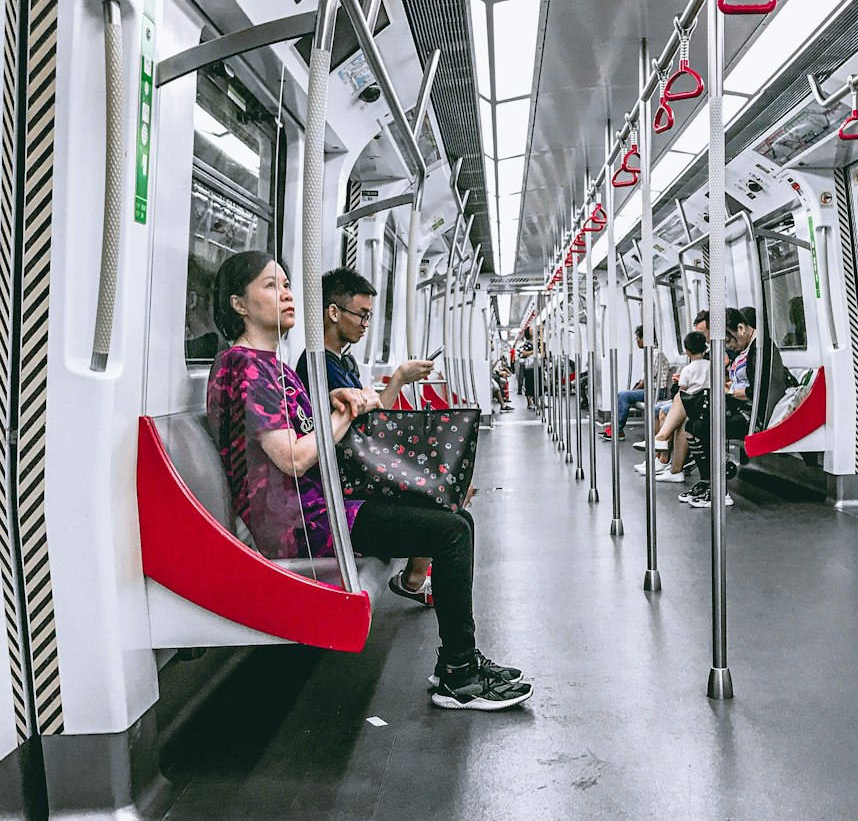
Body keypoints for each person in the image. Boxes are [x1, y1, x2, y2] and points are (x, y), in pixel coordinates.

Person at [208, 250, 531, 711]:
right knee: (451, 531)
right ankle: (459, 675)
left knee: (452, 516)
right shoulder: (246, 366)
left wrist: (336, 399)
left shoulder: (274, 367)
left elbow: (302, 421)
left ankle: (458, 663)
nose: (285, 293)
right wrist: (339, 418)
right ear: (240, 304)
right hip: (298, 520)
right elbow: (296, 458)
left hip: (321, 505)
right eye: (269, 286)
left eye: (285, 283)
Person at [295, 267, 437, 608]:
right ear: (333, 313)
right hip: (342, 477)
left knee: (440, 482)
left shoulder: (345, 363)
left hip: (356, 462)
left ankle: (417, 577)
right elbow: (357, 431)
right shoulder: (318, 368)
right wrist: (399, 377)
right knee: (438, 493)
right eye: (361, 315)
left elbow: (372, 421)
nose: (365, 324)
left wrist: (399, 380)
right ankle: (415, 579)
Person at [680, 307, 758, 508]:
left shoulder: (759, 351)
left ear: (740, 328)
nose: (731, 345)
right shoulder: (747, 350)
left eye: (730, 340)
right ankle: (709, 481)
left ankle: (719, 489)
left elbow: (755, 391)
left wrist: (730, 392)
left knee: (702, 427)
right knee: (693, 426)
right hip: (739, 407)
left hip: (750, 415)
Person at [634, 331, 710, 482]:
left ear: (687, 350)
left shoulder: (688, 369)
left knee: (670, 407)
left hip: (694, 403)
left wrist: (677, 382)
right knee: (672, 416)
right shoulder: (712, 365)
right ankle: (669, 463)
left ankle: (662, 448)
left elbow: (682, 392)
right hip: (705, 401)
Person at [601, 326, 669, 440]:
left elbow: (647, 379)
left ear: (645, 338)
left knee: (624, 395)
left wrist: (633, 391)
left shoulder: (654, 354)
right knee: (621, 394)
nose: (636, 340)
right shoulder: (651, 353)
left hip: (657, 392)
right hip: (652, 390)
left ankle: (617, 431)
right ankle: (614, 428)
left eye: (638, 337)